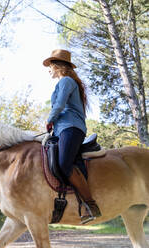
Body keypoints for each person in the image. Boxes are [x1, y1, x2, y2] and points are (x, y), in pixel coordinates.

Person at [43, 49, 101, 224]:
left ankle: (91, 205)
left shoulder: (67, 81)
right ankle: (80, 204)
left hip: (71, 127)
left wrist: (49, 120)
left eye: (50, 66)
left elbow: (60, 105)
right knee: (69, 164)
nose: (48, 70)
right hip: (63, 129)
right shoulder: (63, 82)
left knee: (64, 164)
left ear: (58, 67)